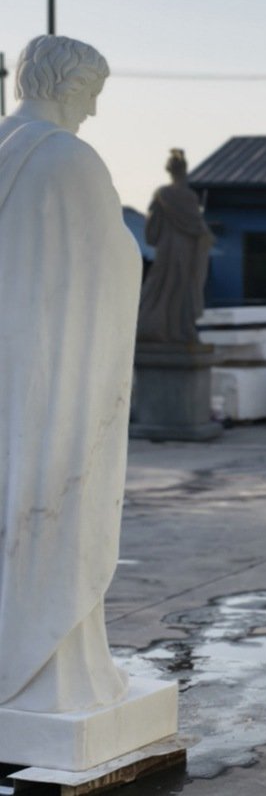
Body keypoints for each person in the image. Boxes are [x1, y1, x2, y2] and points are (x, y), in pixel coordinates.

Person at [0, 35, 139, 712]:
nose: (92, 112)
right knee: (52, 516)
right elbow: (109, 268)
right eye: (91, 95)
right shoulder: (67, 161)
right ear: (64, 85)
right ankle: (51, 681)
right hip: (50, 383)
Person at [136, 148, 214, 345]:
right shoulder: (189, 197)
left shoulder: (162, 194)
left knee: (159, 286)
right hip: (186, 250)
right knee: (181, 288)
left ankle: (154, 327)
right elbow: (198, 226)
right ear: (184, 171)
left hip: (166, 248)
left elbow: (151, 227)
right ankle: (178, 329)